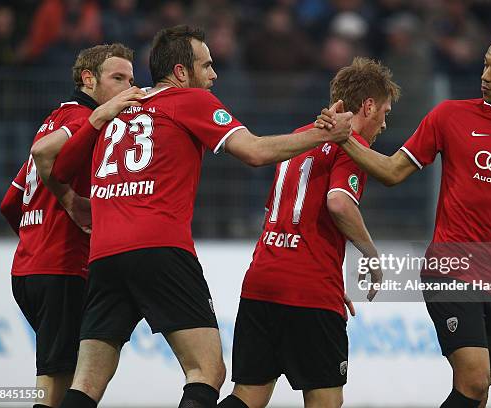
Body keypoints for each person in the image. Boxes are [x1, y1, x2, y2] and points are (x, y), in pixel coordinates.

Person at [34, 25, 353, 408]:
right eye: (207, 66)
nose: (214, 75)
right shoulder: (189, 101)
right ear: (182, 73)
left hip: (103, 255)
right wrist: (324, 135)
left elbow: (52, 164)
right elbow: (254, 151)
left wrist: (76, 190)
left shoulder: (119, 111)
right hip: (159, 250)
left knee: (86, 383)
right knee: (207, 371)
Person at [318, 31, 491, 408]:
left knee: (480, 389)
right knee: (473, 380)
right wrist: (344, 138)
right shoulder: (450, 116)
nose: (486, 74)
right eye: (486, 64)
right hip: (449, 266)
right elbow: (392, 171)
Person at [217, 57, 397, 408]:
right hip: (310, 291)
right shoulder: (353, 144)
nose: (385, 123)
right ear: (369, 105)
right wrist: (373, 257)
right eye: (385, 112)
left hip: (262, 281)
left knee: (248, 396)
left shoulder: (300, 137)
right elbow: (339, 203)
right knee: (325, 401)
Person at [0, 43, 135, 408]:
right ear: (88, 79)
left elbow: (10, 203)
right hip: (62, 267)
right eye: (118, 78)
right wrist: (70, 205)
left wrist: (36, 235)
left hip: (28, 268)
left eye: (131, 79)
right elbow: (45, 152)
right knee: (57, 380)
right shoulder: (82, 123)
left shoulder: (53, 119)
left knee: (66, 371)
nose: (128, 87)